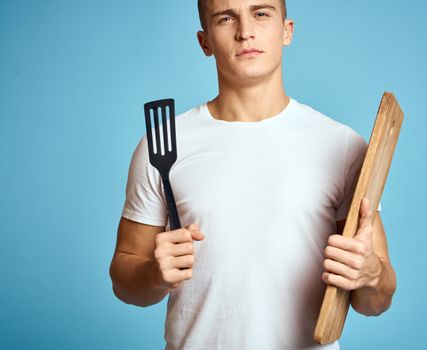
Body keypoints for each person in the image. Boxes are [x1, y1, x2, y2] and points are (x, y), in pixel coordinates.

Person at [109, 0, 397, 349]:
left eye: (261, 13)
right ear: (205, 42)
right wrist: (152, 273)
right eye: (226, 18)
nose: (245, 32)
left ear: (286, 30)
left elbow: (376, 302)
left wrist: (369, 274)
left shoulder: (344, 146)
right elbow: (125, 283)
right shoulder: (163, 145)